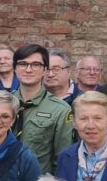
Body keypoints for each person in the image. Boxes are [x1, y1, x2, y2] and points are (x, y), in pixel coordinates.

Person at [12, 44, 74, 174]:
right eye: (23, 64)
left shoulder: (60, 110)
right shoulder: (3, 103)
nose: (28, 69)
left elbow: (62, 160)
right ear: (14, 68)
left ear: (45, 70)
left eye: (36, 64)